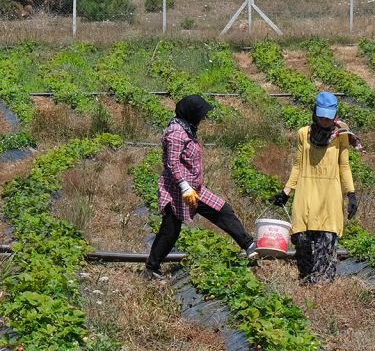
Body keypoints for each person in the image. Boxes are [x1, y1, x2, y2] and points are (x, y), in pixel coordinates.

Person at [145, 95, 257, 279]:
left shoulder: (187, 128)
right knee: (170, 230)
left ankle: (248, 244)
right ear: (191, 113)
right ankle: (151, 268)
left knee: (221, 210)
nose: (202, 118)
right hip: (177, 191)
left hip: (194, 189)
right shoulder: (176, 133)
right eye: (200, 114)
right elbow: (172, 164)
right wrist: (184, 187)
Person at [271, 91, 358, 284]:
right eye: (321, 116)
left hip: (329, 193)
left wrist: (351, 194)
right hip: (306, 190)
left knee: (326, 237)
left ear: (334, 115)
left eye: (328, 117)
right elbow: (297, 164)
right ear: (314, 113)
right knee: (300, 236)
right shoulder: (304, 133)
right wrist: (286, 191)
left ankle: (323, 283)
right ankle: (306, 278)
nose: (324, 121)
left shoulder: (341, 135)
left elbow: (344, 165)